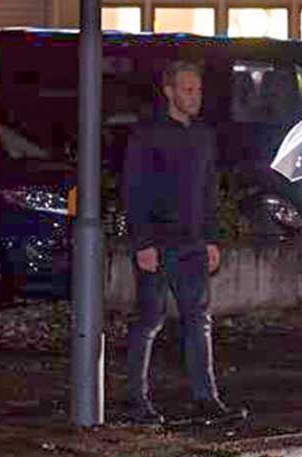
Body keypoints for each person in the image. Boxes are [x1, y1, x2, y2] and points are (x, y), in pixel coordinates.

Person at [122, 60, 236, 425]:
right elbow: (134, 189)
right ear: (168, 91)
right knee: (149, 319)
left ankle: (207, 398)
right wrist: (142, 242)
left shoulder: (203, 135)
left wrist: (211, 239)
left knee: (199, 320)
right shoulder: (147, 134)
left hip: (192, 243)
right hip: (157, 241)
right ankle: (136, 399)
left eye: (198, 89)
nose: (195, 96)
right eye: (187, 89)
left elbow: (207, 192)